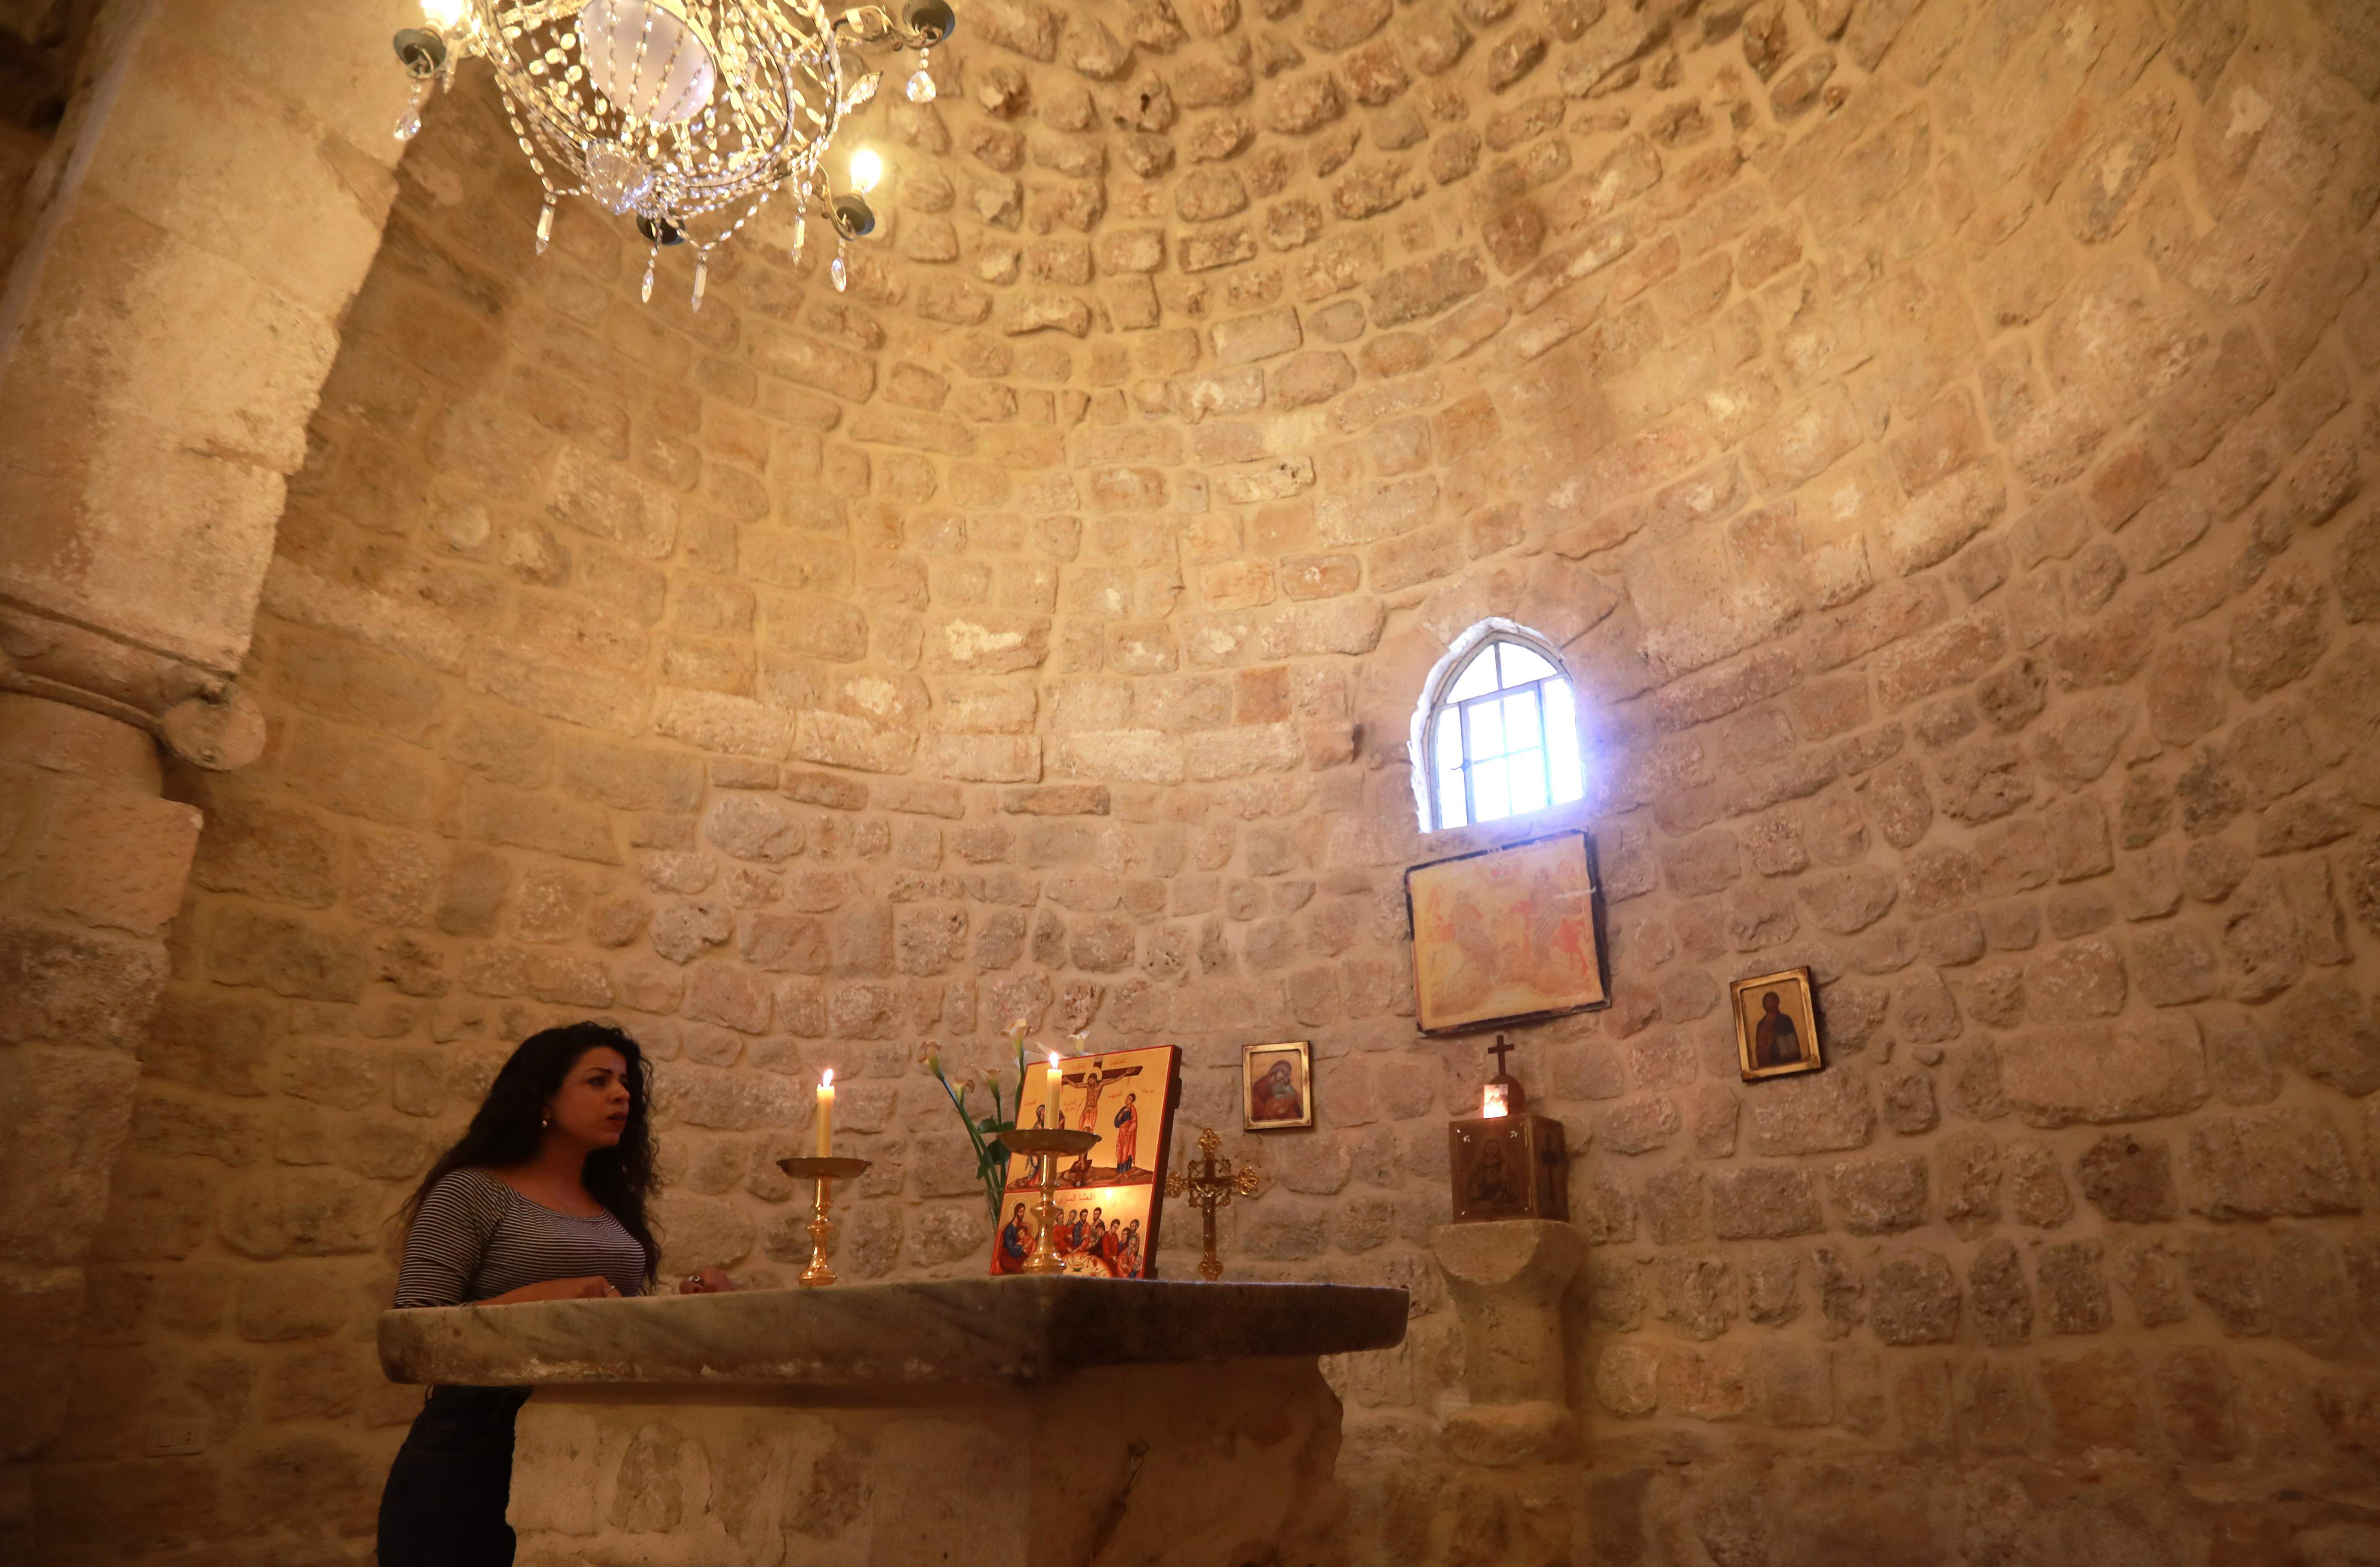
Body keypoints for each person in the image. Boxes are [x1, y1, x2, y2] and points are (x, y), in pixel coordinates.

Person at [377, 1023, 733, 1567]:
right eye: (598, 1081)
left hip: (593, 1441)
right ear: (543, 1096)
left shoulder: (610, 1202)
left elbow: (610, 1321)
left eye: (625, 1084)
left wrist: (685, 1306)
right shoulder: (472, 1191)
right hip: (481, 1445)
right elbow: (412, 1337)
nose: (621, 1095)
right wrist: (543, 1299)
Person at [1752, 991, 1802, 1069]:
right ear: (1763, 1005)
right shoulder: (1762, 1024)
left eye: (1772, 1001)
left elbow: (1792, 1040)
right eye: (1767, 1002)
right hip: (1771, 1059)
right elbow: (1760, 1047)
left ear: (1778, 1003)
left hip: (1787, 1059)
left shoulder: (1786, 1020)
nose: (1769, 1004)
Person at [1251, 1059, 1304, 1123]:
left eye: (1286, 1074)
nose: (1283, 1076)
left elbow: (1296, 1096)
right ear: (1276, 1069)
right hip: (1266, 1117)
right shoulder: (1260, 1084)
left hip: (1282, 1116)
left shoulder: (1282, 1084)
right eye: (1282, 1072)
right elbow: (1257, 1106)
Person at [995, 1202, 1033, 1274]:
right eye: (1020, 1212)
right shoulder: (1010, 1229)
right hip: (1008, 1257)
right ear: (1016, 1213)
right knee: (1020, 1271)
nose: (1022, 1214)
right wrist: (1023, 1247)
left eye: (1023, 1212)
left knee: (1029, 1267)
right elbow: (1011, 1248)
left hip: (1017, 1255)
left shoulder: (1019, 1227)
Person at [1112, 1092, 1140, 1175]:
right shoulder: (1123, 1109)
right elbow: (1117, 1122)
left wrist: (1129, 1132)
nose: (1128, 1100)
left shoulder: (1133, 1110)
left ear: (1132, 1102)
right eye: (1128, 1098)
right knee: (1119, 1149)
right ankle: (1120, 1171)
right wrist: (1123, 1112)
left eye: (1130, 1099)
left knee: (1126, 1150)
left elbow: (1135, 1122)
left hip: (1128, 1133)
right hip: (1122, 1132)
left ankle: (1126, 1171)